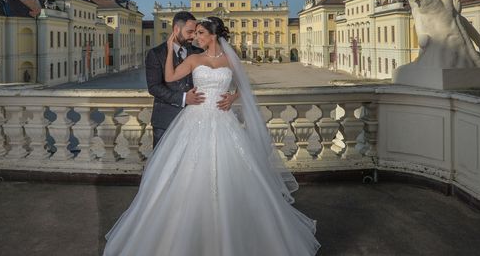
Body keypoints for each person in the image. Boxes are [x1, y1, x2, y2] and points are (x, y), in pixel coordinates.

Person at [104, 17, 320, 256]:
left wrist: (233, 97)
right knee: (188, 173)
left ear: (213, 35)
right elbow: (170, 77)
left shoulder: (230, 59)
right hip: (195, 119)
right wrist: (169, 50)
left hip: (224, 120)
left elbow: (245, 86)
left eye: (200, 33)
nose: (196, 37)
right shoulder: (194, 59)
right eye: (195, 33)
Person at [144, 11, 237, 147]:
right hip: (166, 119)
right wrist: (183, 98)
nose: (194, 37)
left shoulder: (198, 52)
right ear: (176, 29)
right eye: (190, 32)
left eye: (197, 32)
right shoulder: (156, 53)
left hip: (201, 121)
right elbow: (154, 87)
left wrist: (230, 95)